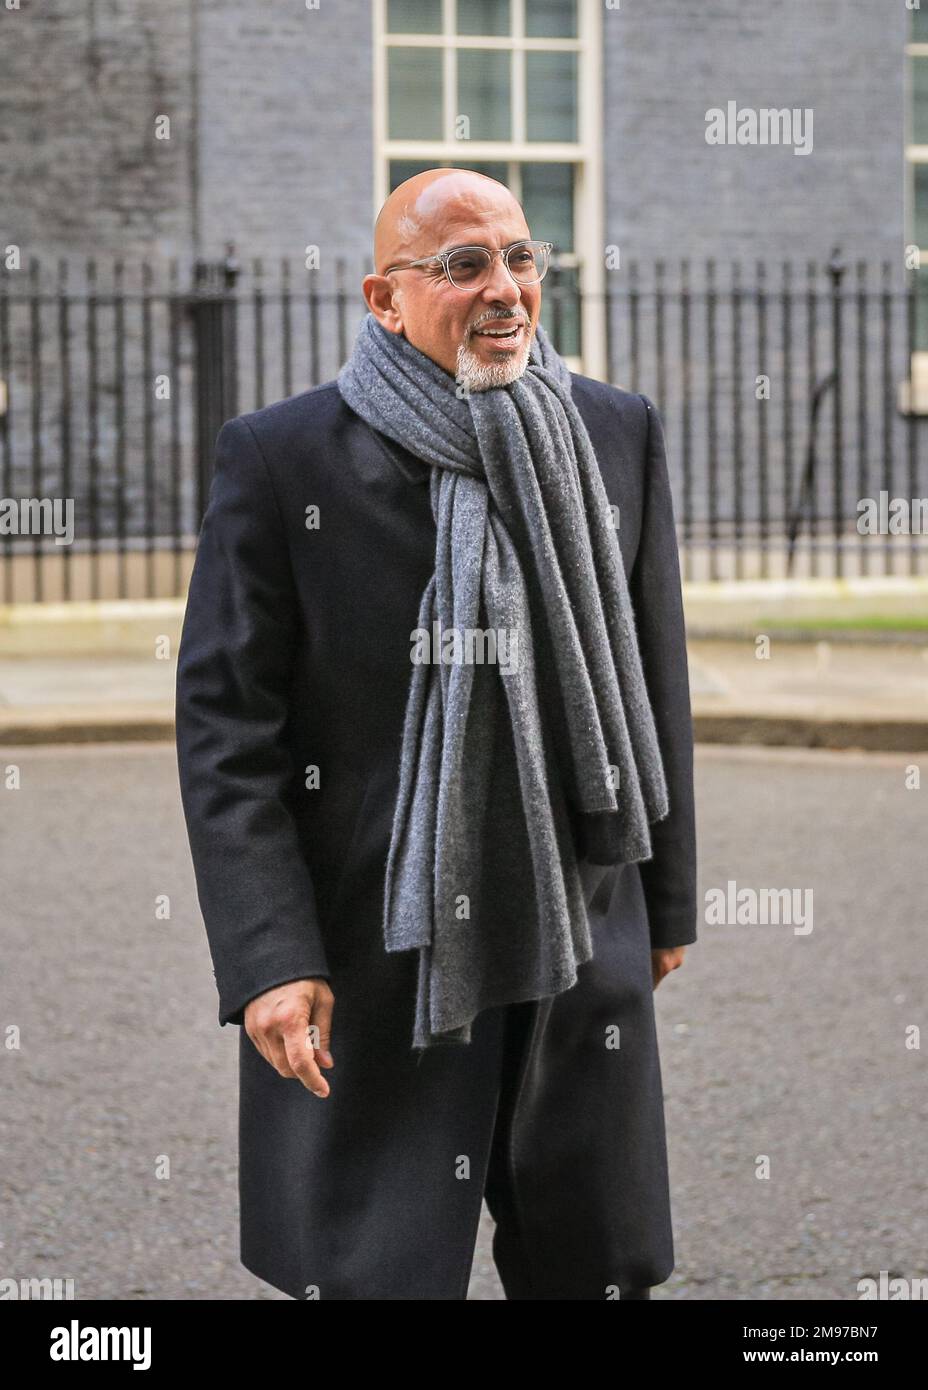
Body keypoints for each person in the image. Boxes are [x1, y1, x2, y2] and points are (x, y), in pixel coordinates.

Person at [175, 168, 697, 1300]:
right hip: (377, 951)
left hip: (577, 931)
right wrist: (271, 956)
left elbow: (654, 681)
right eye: (464, 265)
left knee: (592, 1263)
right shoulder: (282, 460)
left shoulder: (614, 432)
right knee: (380, 1272)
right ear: (383, 298)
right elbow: (228, 730)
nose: (505, 288)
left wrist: (663, 906)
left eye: (521, 258)